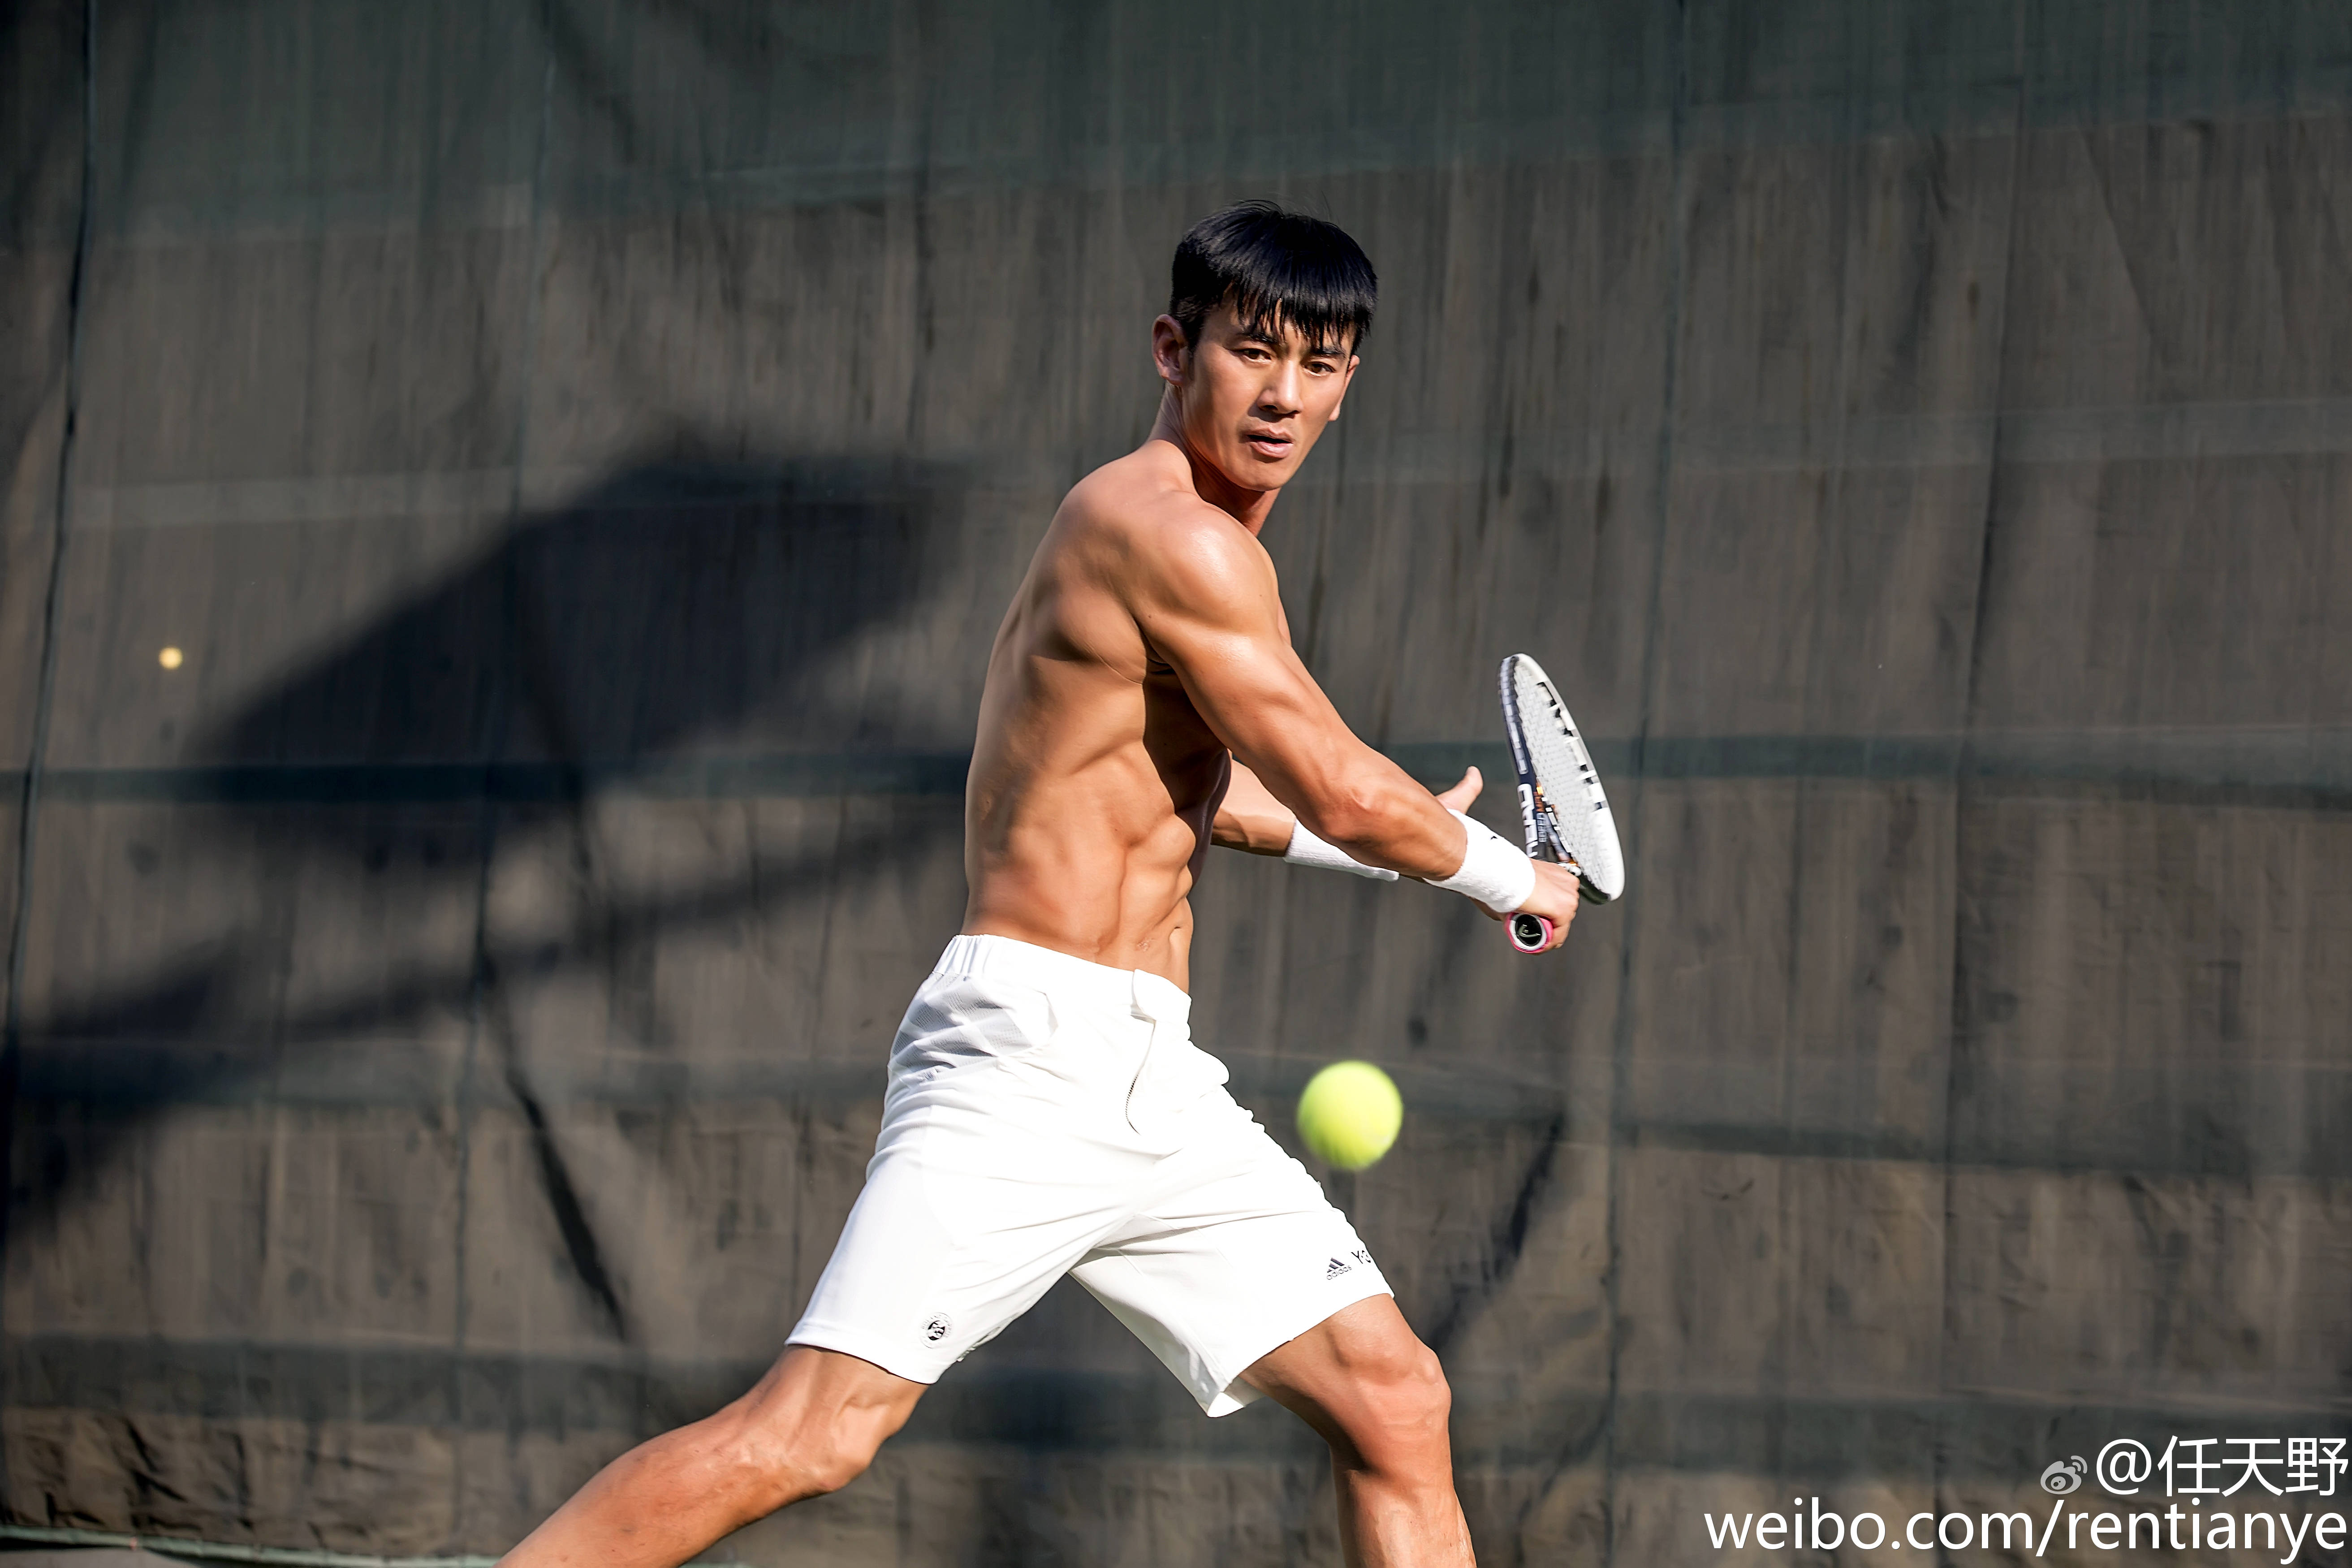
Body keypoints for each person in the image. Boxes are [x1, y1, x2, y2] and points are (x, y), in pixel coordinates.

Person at [501, 200, 1583, 1568]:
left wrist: (1410, 838)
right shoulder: (1168, 532)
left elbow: (1202, 795)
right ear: (1171, 349)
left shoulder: (1183, 542)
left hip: (1149, 1074)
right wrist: (1505, 874)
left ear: (1347, 384)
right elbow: (1336, 784)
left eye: (1317, 365)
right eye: (1252, 351)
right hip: (1025, 1060)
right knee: (811, 1435)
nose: (1282, 395)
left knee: (1392, 1397)